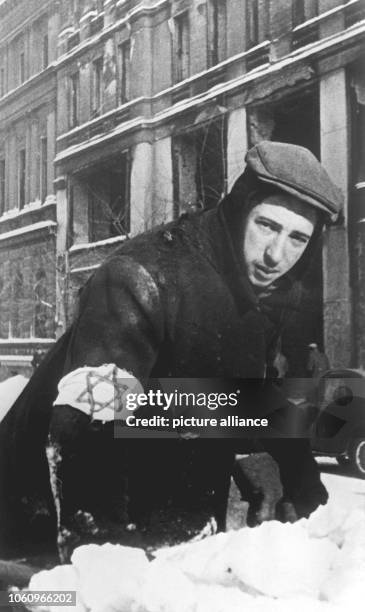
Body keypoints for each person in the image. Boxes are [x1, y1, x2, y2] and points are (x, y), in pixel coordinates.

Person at [0, 141, 342, 562]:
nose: (276, 254)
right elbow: (89, 418)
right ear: (240, 210)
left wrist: (306, 493)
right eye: (267, 226)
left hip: (175, 513)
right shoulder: (141, 276)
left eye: (297, 238)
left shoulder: (269, 293)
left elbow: (250, 391)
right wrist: (103, 560)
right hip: (37, 529)